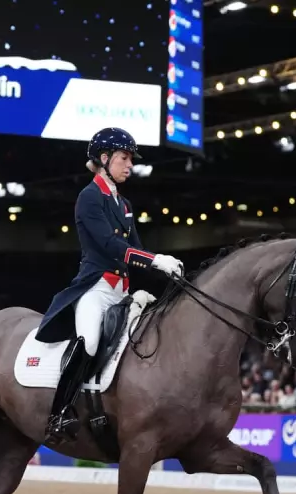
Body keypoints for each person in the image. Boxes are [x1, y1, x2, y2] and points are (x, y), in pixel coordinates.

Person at [35, 127, 185, 444]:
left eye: (130, 159)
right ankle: (58, 414)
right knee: (89, 341)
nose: (129, 164)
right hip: (96, 288)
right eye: (124, 158)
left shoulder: (125, 204)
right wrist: (156, 258)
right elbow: (108, 245)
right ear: (104, 159)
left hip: (122, 292)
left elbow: (136, 250)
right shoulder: (89, 197)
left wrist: (168, 271)